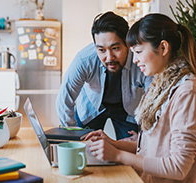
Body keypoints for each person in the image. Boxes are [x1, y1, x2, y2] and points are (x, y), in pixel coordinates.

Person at [83, 13, 196, 183]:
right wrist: (113, 144)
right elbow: (152, 149)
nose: (134, 60)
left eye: (138, 52)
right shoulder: (162, 86)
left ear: (163, 48)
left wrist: (118, 155)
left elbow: (179, 168)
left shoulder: (186, 93)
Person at [56, 11, 152, 140]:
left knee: (131, 149)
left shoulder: (141, 60)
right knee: (84, 148)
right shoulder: (85, 59)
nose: (109, 57)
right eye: (101, 50)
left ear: (127, 43)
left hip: (128, 109)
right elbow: (64, 98)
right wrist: (72, 136)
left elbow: (155, 101)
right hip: (91, 106)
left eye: (115, 48)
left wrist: (146, 137)